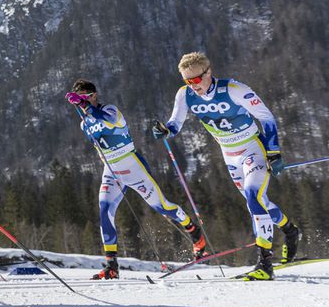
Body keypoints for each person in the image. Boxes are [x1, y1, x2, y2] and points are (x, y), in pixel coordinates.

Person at [152, 52, 301, 281]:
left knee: (253, 196)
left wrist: (273, 153)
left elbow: (267, 118)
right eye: (186, 81)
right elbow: (176, 122)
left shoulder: (234, 89)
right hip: (229, 156)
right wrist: (166, 130)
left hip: (253, 149)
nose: (193, 86)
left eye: (196, 80)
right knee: (258, 203)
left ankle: (265, 264)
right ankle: (290, 231)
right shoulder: (185, 95)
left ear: (208, 72)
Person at [65, 79, 205, 280]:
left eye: (85, 98)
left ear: (94, 95)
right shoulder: (83, 123)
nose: (81, 103)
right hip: (111, 171)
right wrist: (85, 110)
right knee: (105, 211)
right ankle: (111, 266)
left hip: (132, 166)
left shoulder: (111, 110)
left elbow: (109, 122)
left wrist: (85, 106)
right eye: (78, 100)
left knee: (162, 207)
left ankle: (194, 232)